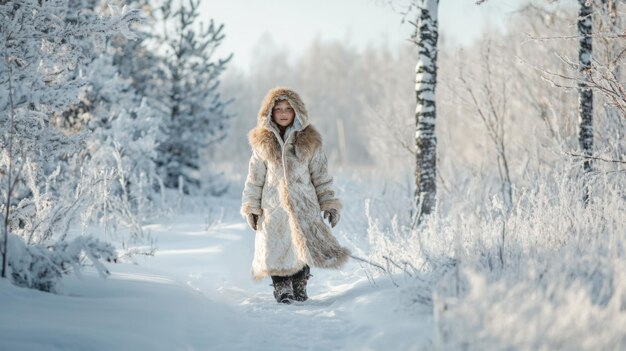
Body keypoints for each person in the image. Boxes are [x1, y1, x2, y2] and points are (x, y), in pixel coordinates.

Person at [240, 87, 350, 304]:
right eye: (278, 109)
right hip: (273, 207)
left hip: (304, 204)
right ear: (270, 113)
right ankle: (282, 288)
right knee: (276, 246)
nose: (283, 113)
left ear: (297, 112)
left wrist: (328, 203)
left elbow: (320, 175)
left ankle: (300, 285)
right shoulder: (263, 143)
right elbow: (254, 178)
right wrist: (251, 206)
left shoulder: (308, 140)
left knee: (302, 245)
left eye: (288, 109)